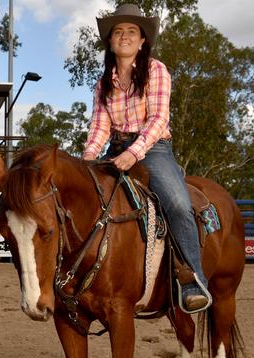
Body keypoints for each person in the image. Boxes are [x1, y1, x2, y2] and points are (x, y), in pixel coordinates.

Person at [82, 3, 212, 313]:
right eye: (117, 31)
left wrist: (133, 153)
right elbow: (99, 127)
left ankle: (192, 278)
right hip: (115, 149)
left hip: (153, 149)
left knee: (178, 204)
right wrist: (86, 161)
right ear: (110, 41)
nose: (124, 36)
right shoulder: (103, 84)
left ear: (143, 41)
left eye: (131, 31)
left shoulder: (156, 70)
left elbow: (157, 120)